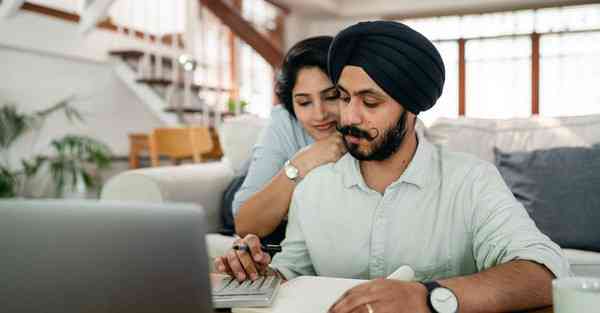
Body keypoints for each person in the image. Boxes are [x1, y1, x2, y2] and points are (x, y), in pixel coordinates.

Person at [215, 21, 570, 313]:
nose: (349, 116)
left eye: (370, 101)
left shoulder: (471, 181)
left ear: (412, 108)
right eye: (343, 96)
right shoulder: (313, 187)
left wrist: (428, 296)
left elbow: (543, 275)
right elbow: (294, 272)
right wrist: (259, 272)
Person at [232, 36, 346, 243]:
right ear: (291, 103)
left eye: (331, 97)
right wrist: (303, 161)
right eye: (304, 102)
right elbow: (245, 224)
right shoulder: (284, 120)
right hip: (252, 188)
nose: (319, 114)